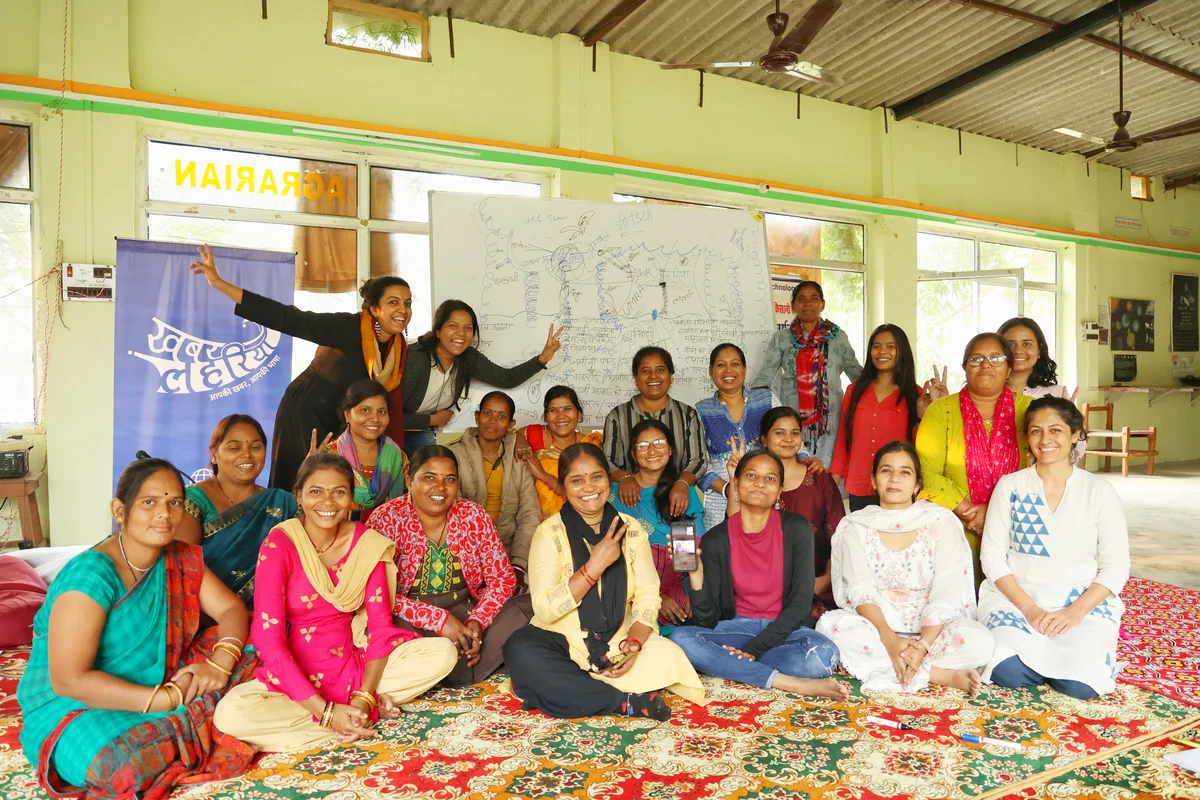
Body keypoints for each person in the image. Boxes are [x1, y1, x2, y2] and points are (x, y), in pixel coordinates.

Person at [18, 458, 256, 798]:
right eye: (149, 502)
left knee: (258, 639)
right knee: (121, 764)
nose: (165, 514)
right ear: (119, 509)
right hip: (74, 706)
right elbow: (70, 680)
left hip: (162, 685)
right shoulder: (91, 576)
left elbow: (231, 607)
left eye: (174, 502)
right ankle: (195, 714)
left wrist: (221, 662)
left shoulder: (179, 557)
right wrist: (165, 699)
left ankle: (194, 711)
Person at [213, 454, 458, 752]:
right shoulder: (281, 544)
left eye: (338, 492)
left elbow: (380, 630)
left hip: (354, 664)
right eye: (316, 491)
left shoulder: (368, 543)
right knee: (230, 714)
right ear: (299, 497)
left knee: (443, 653)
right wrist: (325, 711)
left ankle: (350, 715)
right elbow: (268, 640)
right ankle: (348, 722)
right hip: (297, 674)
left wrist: (363, 697)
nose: (327, 502)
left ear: (351, 499)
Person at [503, 443, 705, 720]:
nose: (589, 487)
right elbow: (545, 609)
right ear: (563, 485)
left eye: (596, 476)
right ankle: (623, 702)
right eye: (577, 480)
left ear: (607, 480)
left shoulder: (631, 529)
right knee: (521, 648)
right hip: (560, 640)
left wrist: (634, 642)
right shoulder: (549, 532)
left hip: (618, 639)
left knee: (668, 655)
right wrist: (592, 568)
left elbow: (648, 596)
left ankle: (562, 690)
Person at [189, 244, 413, 492]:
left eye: (407, 303)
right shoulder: (346, 327)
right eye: (393, 302)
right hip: (306, 413)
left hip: (343, 421)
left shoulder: (398, 348)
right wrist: (220, 283)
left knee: (336, 486)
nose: (402, 310)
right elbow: (289, 318)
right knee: (299, 481)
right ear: (374, 309)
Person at [979, 397, 1130, 699]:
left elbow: (1117, 566)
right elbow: (992, 557)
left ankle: (1066, 662)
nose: (1045, 440)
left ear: (1075, 434)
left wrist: (1075, 613)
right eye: (1036, 431)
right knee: (1006, 672)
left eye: (1056, 430)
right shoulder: (1011, 486)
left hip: (1078, 603)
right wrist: (1030, 610)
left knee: (1082, 686)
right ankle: (1049, 660)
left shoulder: (1099, 491)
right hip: (1016, 601)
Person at [816, 442, 994, 694]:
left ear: (918, 484)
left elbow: (947, 589)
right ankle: (938, 674)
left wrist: (922, 645)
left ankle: (903, 664)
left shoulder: (940, 522)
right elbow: (860, 589)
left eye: (905, 472)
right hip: (878, 627)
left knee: (980, 642)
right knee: (830, 626)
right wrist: (890, 639)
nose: (894, 479)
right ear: (873, 480)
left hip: (932, 630)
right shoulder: (856, 525)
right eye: (886, 471)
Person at [669, 450, 848, 700]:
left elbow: (799, 605)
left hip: (787, 629)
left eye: (770, 479)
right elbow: (705, 620)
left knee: (823, 654)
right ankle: (789, 683)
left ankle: (733, 665)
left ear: (780, 490)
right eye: (751, 475)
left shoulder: (797, 528)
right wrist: (696, 574)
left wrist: (753, 650)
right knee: (680, 639)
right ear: (737, 484)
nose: (760, 484)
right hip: (737, 627)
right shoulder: (715, 539)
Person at [369, 446, 532, 686]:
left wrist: (478, 622)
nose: (440, 487)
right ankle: (469, 664)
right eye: (429, 477)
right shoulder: (386, 518)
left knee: (532, 607)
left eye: (450, 479)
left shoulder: (473, 515)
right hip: (408, 617)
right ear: (409, 479)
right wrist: (438, 620)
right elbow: (376, 593)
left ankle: (464, 655)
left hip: (466, 612)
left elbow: (502, 579)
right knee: (376, 630)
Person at [916, 333, 1032, 587]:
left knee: (1018, 597)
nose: (986, 364)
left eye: (996, 358)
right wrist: (971, 512)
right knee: (958, 598)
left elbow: (1043, 469)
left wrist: (996, 513)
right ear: (965, 368)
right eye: (976, 358)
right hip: (955, 524)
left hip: (1018, 521)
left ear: (1010, 369)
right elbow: (927, 471)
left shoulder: (1031, 410)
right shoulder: (940, 411)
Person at [401, 300, 562, 454]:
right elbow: (387, 415)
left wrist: (542, 358)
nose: (461, 334)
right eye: (453, 326)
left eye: (468, 328)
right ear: (438, 331)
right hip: (393, 429)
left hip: (419, 431)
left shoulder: (467, 357)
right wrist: (431, 420)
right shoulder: (417, 359)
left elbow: (506, 378)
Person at [177, 414, 298, 604]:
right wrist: (229, 613)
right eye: (234, 447)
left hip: (267, 616)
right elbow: (184, 567)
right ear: (214, 454)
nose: (247, 454)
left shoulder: (282, 503)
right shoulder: (193, 500)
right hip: (203, 615)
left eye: (256, 447)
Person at [730, 407, 843, 609]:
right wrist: (734, 481)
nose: (788, 439)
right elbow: (736, 531)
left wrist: (825, 580)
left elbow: (840, 535)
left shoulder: (820, 479)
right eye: (779, 433)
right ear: (764, 439)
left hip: (817, 586)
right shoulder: (755, 483)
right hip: (760, 589)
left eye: (795, 433)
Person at [831, 324, 947, 511]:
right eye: (876, 346)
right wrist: (834, 477)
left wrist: (930, 412)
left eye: (890, 346)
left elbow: (922, 447)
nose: (882, 351)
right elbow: (844, 437)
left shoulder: (915, 395)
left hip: (897, 486)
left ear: (902, 352)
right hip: (860, 486)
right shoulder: (854, 391)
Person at [749, 280, 862, 465]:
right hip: (792, 420)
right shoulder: (781, 339)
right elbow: (765, 377)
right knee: (796, 469)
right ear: (793, 306)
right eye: (801, 299)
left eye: (814, 298)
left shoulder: (838, 338)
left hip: (831, 420)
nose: (807, 303)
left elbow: (856, 374)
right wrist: (744, 405)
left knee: (827, 471)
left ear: (822, 304)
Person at [609, 419, 706, 629]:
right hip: (632, 594)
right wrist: (656, 596)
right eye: (643, 445)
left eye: (659, 443)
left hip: (680, 589)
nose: (652, 450)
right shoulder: (616, 494)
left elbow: (688, 556)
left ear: (671, 450)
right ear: (633, 454)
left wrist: (693, 593)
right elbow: (613, 558)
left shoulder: (683, 491)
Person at [604, 347, 707, 520]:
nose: (653, 376)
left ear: (670, 376)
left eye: (660, 370)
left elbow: (698, 460)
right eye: (645, 371)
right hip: (632, 503)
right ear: (636, 378)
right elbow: (607, 461)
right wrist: (625, 477)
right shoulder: (618, 416)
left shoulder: (687, 415)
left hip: (677, 500)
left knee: (683, 545)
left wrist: (682, 483)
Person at [448, 391, 541, 571]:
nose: (492, 421)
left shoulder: (519, 457)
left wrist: (519, 563)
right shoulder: (453, 455)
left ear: (510, 424)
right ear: (477, 417)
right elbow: (451, 512)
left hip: (508, 549)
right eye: (487, 413)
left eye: (502, 416)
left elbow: (529, 512)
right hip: (464, 551)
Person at [695, 343, 779, 528]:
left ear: (744, 369)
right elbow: (697, 464)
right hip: (720, 503)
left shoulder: (766, 400)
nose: (728, 370)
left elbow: (788, 437)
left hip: (766, 496)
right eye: (720, 364)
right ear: (711, 371)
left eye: (735, 363)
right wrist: (728, 489)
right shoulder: (702, 410)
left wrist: (805, 459)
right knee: (725, 553)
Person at [319, 380, 408, 524]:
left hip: (386, 539)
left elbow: (408, 504)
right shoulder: (330, 455)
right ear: (347, 415)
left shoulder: (397, 457)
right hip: (340, 538)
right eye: (365, 410)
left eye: (382, 412)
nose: (375, 419)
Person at [999, 317, 1085, 464]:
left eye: (1027, 344)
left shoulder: (1057, 394)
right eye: (1010, 344)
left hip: (1043, 481)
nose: (1018, 351)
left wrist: (1068, 420)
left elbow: (1079, 448)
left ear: (1039, 351)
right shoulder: (986, 394)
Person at [515, 385, 604, 519]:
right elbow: (509, 434)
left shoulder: (589, 444)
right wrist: (519, 441)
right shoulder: (532, 434)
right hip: (531, 518)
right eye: (553, 410)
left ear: (579, 414)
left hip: (578, 518)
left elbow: (586, 492)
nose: (560, 416)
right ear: (545, 417)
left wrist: (543, 475)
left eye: (567, 409)